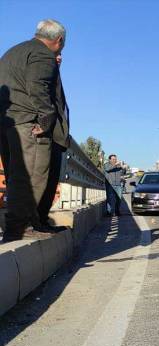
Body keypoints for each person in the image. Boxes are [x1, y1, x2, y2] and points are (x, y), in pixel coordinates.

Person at [0, 19, 67, 242]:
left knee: (16, 176)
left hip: (7, 122)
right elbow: (38, 88)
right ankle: (21, 227)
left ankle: (29, 223)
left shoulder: (14, 51)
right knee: (31, 176)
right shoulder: (42, 54)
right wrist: (46, 120)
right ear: (59, 40)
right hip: (28, 123)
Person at [36, 52, 70, 231]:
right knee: (42, 178)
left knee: (51, 179)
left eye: (59, 56)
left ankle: (42, 220)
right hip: (46, 136)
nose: (59, 58)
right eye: (55, 55)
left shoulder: (55, 75)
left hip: (56, 136)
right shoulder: (41, 73)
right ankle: (36, 222)